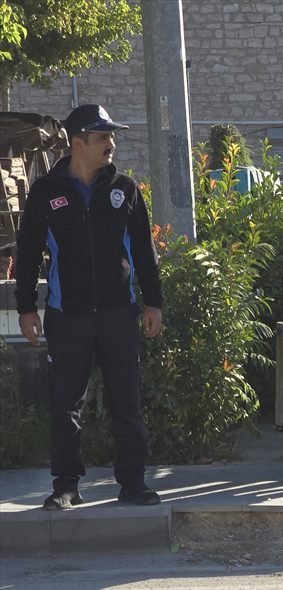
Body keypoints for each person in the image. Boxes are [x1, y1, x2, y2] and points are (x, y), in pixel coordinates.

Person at [14, 104, 164, 510]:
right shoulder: (47, 192)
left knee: (126, 404)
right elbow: (27, 254)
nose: (111, 144)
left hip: (119, 312)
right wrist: (26, 308)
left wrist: (154, 302)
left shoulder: (125, 189)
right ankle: (66, 485)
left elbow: (145, 254)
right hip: (68, 315)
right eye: (103, 138)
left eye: (112, 137)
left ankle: (133, 483)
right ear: (77, 143)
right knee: (66, 406)